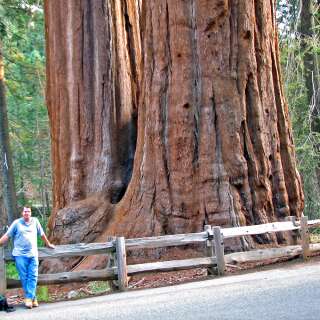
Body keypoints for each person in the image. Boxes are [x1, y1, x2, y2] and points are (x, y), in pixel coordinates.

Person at [0, 207, 54, 309]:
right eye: (25, 211)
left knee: (33, 276)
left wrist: (48, 244)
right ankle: (32, 298)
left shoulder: (35, 221)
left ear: (31, 213)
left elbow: (42, 234)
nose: (26, 213)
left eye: (28, 211)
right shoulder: (17, 223)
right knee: (24, 277)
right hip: (20, 255)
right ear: (22, 213)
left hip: (33, 254)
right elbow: (7, 235)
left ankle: (29, 298)